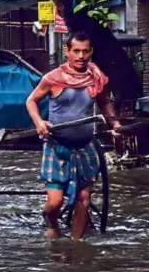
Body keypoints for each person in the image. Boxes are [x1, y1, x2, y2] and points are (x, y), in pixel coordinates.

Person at [25, 31, 121, 240]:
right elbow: (31, 101)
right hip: (57, 145)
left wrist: (114, 123)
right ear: (67, 52)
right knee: (54, 203)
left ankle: (77, 245)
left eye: (85, 51)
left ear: (91, 52)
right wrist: (40, 122)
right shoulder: (53, 79)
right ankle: (51, 223)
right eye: (76, 51)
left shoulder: (96, 78)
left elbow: (104, 102)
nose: (81, 56)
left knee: (84, 198)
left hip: (85, 145)